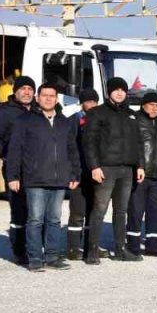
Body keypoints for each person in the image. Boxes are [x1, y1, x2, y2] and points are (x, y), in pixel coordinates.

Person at [5, 83, 80, 271]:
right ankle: (35, 258)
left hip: (59, 179)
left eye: (52, 95)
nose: (48, 98)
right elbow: (15, 150)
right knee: (36, 219)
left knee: (54, 219)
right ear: (37, 98)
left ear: (56, 99)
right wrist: (13, 176)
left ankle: (53, 256)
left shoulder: (65, 122)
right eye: (44, 95)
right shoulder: (25, 120)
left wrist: (74, 173)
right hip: (35, 178)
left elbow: (72, 150)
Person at [82, 77, 145, 264]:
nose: (119, 93)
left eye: (123, 90)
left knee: (121, 211)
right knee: (99, 210)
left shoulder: (131, 114)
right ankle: (92, 251)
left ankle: (120, 249)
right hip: (106, 169)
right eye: (115, 89)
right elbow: (89, 142)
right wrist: (94, 166)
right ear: (108, 92)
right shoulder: (97, 113)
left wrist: (140, 165)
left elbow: (138, 143)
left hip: (126, 169)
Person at [0, 75, 39, 264]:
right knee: (19, 211)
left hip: (37, 170)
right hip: (15, 169)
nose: (26, 92)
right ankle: (19, 251)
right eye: (23, 89)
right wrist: (8, 156)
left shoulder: (37, 111)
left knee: (37, 210)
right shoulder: (4, 113)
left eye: (30, 89)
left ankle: (35, 248)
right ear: (15, 91)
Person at [127, 92, 157, 257]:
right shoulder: (135, 120)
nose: (155, 108)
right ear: (143, 105)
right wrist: (139, 166)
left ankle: (154, 246)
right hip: (140, 174)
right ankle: (133, 247)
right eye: (151, 104)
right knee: (136, 211)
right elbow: (133, 146)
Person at [65, 88, 100, 261]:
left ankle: (90, 247)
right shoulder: (73, 120)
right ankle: (73, 248)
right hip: (78, 172)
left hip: (96, 173)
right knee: (77, 213)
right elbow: (69, 148)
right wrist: (72, 173)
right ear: (82, 103)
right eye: (88, 101)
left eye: (94, 101)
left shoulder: (101, 120)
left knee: (94, 212)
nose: (92, 105)